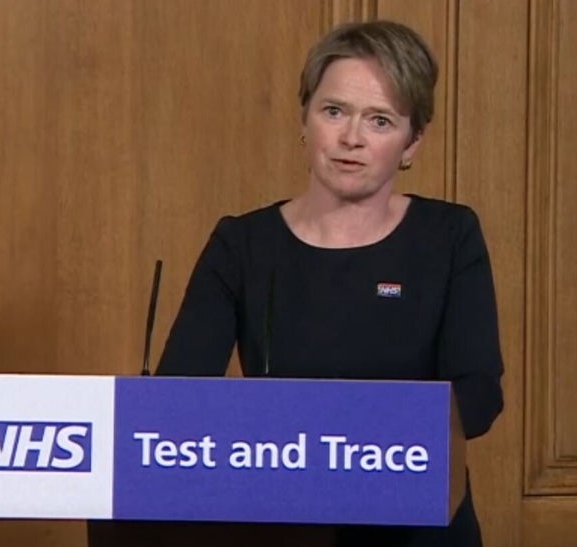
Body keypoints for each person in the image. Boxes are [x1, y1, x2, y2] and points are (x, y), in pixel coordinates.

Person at [156, 20, 503, 546]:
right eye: (334, 111)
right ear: (305, 119)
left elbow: (478, 397)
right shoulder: (242, 244)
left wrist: (353, 439)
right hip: (283, 525)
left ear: (412, 143)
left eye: (380, 121)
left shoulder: (450, 237)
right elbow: (176, 403)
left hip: (416, 527)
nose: (351, 139)